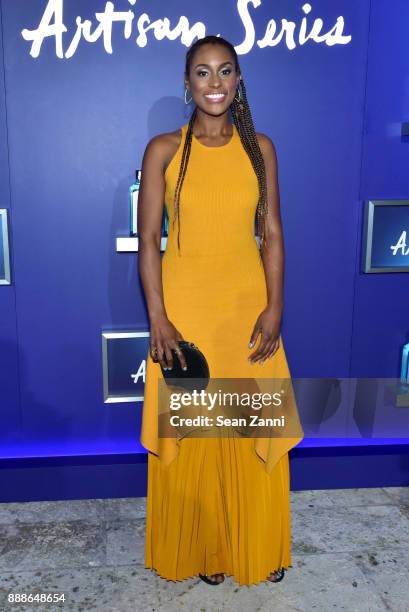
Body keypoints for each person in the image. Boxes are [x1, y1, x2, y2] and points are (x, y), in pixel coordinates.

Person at [138, 35, 303, 587]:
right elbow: (148, 246)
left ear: (238, 81)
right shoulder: (164, 150)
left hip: (246, 308)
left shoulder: (261, 147)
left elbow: (272, 232)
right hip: (188, 314)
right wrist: (159, 320)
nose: (214, 83)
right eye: (202, 72)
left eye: (225, 71)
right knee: (199, 435)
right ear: (186, 84)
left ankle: (259, 545)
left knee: (254, 425)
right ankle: (206, 548)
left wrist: (275, 306)